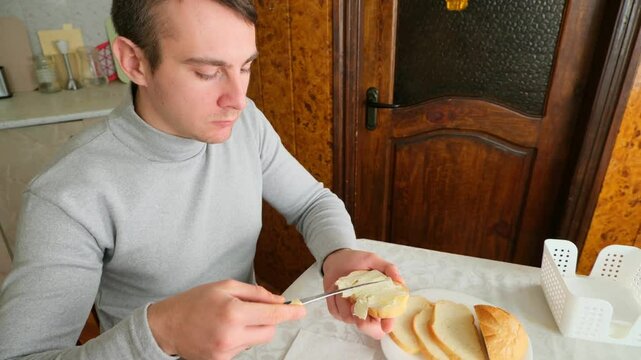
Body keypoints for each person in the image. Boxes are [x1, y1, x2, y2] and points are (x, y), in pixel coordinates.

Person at [0, 0, 404, 359]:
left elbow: (311, 203)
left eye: (245, 67)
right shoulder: (68, 192)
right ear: (134, 62)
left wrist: (338, 255)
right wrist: (164, 332)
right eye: (208, 72)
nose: (237, 99)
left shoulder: (247, 125)